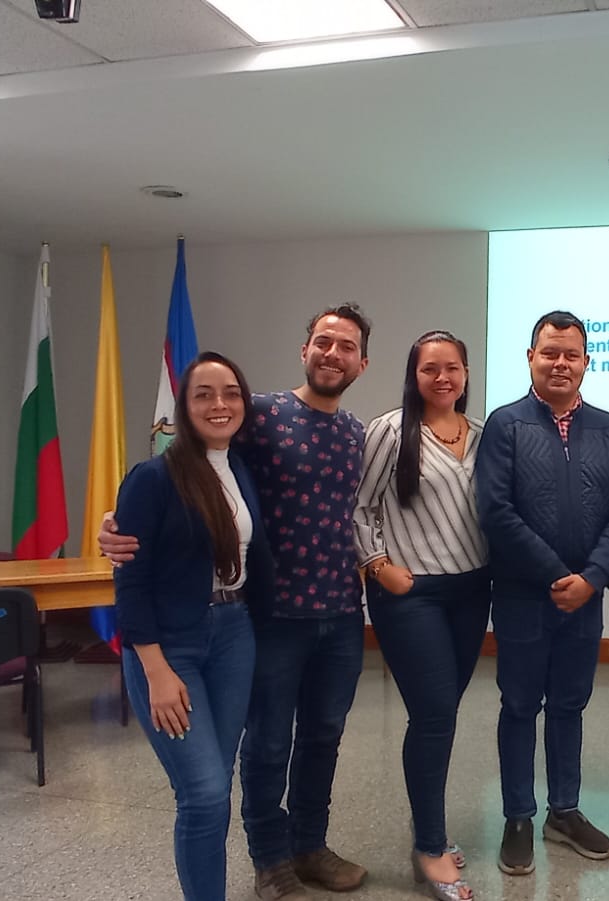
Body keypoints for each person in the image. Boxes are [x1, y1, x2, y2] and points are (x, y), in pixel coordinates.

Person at [103, 305, 373, 901]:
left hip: (339, 612)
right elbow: (182, 469)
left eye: (346, 346)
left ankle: (310, 845)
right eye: (323, 341)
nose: (333, 353)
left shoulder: (357, 431)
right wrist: (117, 531)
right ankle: (270, 859)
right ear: (305, 349)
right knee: (267, 742)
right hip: (270, 615)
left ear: (362, 362)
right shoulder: (263, 416)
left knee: (323, 735)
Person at [475, 310, 609, 876]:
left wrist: (591, 579)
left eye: (571, 354)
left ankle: (563, 811)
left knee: (570, 705)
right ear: (530, 358)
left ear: (587, 361)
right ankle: (518, 815)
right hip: (524, 595)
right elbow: (495, 509)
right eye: (550, 352)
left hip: (586, 599)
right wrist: (553, 575)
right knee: (519, 706)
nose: (560, 363)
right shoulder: (505, 423)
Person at [112, 352, 271, 901]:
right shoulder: (152, 478)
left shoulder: (243, 469)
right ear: (183, 406)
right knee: (202, 792)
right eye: (204, 393)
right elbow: (129, 586)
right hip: (169, 646)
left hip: (234, 635)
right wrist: (154, 669)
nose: (219, 404)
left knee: (215, 785)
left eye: (230, 392)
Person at [353, 330, 489, 901]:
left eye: (452, 368)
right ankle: (430, 846)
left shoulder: (482, 436)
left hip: (471, 591)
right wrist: (378, 565)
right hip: (413, 596)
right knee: (434, 716)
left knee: (440, 716)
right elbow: (358, 503)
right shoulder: (390, 431)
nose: (442, 378)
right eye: (429, 368)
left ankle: (425, 829)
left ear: (465, 374)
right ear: (414, 376)